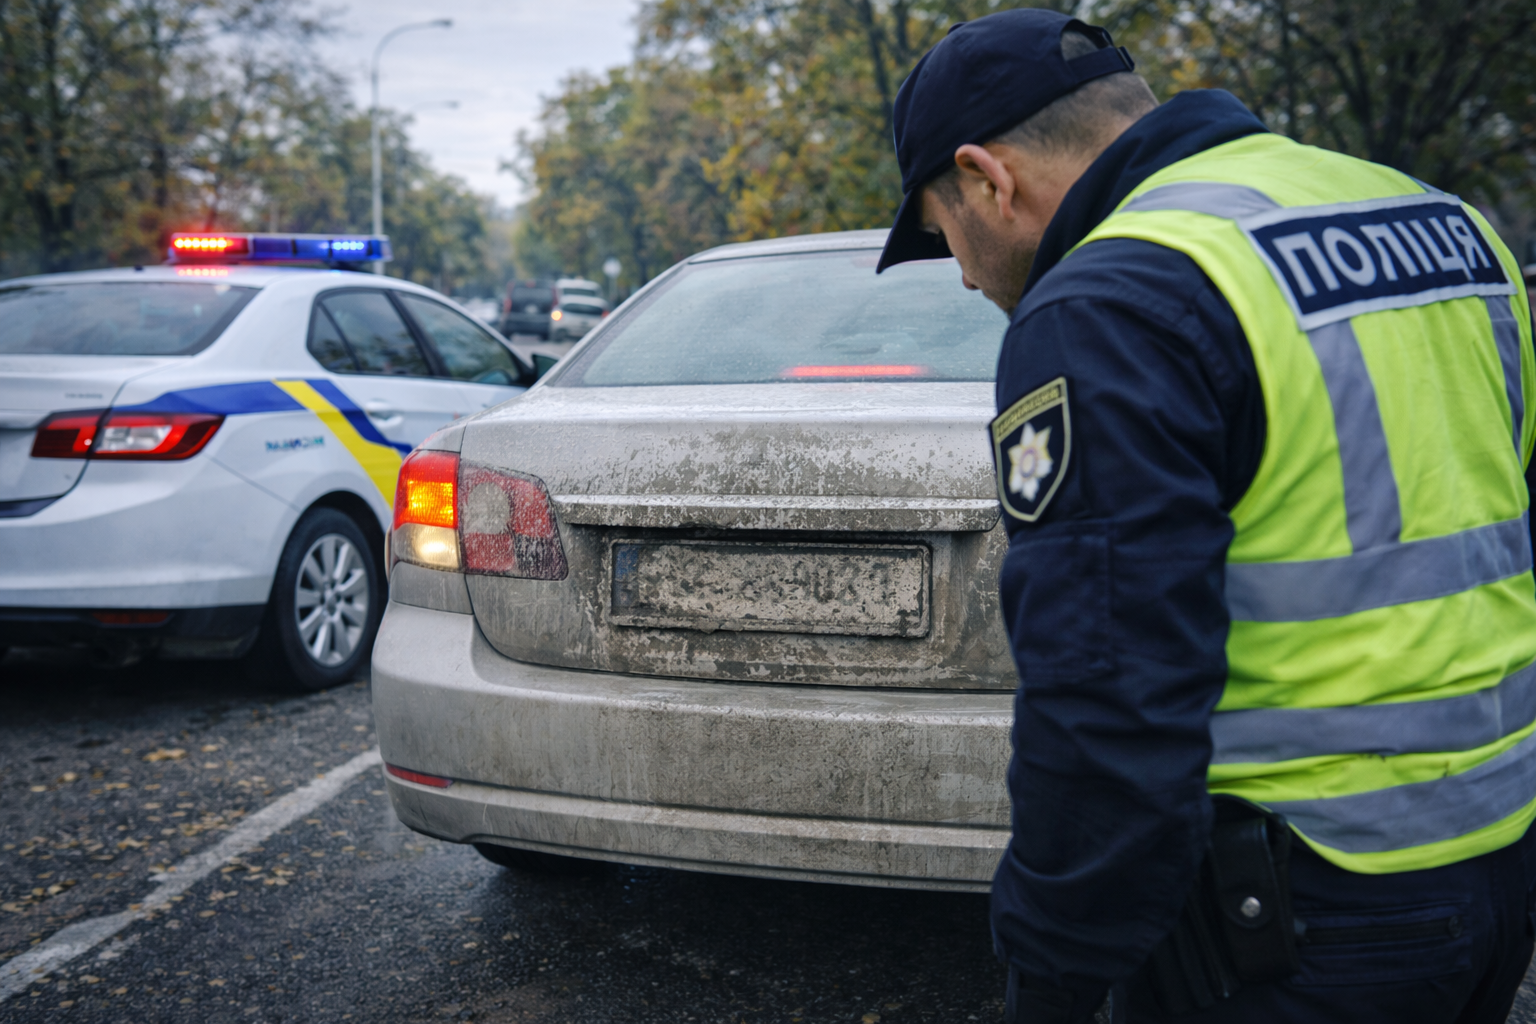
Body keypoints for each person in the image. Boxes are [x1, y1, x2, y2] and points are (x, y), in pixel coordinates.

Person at [877, 9, 1536, 1024]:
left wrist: (1051, 977)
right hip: (1499, 869)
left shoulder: (1112, 300)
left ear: (988, 178)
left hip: (1299, 918)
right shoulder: (1446, 223)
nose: (964, 272)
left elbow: (1107, 695)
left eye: (942, 233)